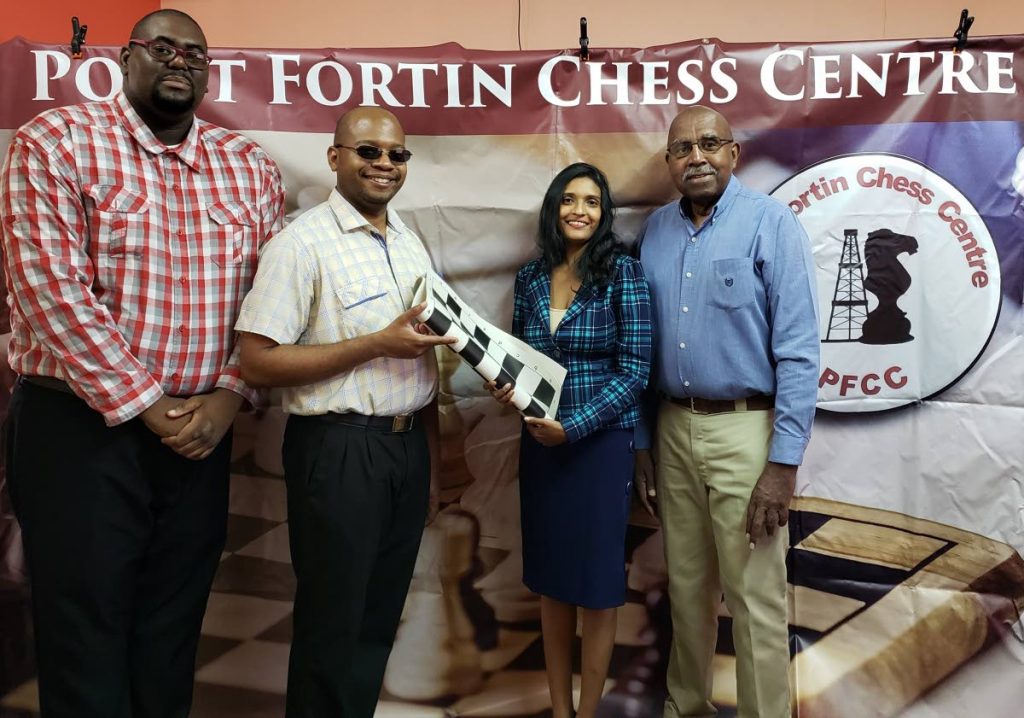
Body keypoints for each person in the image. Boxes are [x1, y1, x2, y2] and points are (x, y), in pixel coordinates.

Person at [0, 9, 285, 717]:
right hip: (79, 431)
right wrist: (148, 405)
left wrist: (226, 396)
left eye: (195, 52)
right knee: (84, 636)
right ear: (125, 59)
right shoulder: (56, 141)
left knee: (170, 632)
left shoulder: (248, 168)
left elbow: (272, 301)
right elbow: (46, 289)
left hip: (201, 436)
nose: (180, 61)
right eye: (163, 48)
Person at [235, 107, 456, 718]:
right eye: (368, 151)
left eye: (396, 155)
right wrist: (375, 343)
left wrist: (432, 467)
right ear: (336, 158)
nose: (384, 164)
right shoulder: (299, 244)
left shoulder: (407, 241)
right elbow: (258, 362)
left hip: (405, 450)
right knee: (332, 626)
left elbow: (424, 365)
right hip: (338, 451)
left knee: (377, 621)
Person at [633, 106, 819, 718]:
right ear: (668, 162)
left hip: (748, 432)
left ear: (733, 153)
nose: (697, 157)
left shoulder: (772, 224)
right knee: (685, 591)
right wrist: (642, 442)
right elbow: (638, 347)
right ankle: (685, 707)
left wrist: (782, 464)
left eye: (710, 143)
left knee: (754, 597)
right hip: (671, 427)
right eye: (682, 148)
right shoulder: (655, 233)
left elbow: (798, 353)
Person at [487, 162, 652, 718]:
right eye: (569, 200)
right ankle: (560, 710)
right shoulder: (531, 276)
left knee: (597, 586)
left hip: (599, 448)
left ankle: (588, 712)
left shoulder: (623, 274)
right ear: (554, 208)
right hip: (540, 445)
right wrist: (504, 388)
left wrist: (574, 427)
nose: (580, 210)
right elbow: (520, 359)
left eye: (592, 202)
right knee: (553, 582)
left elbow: (634, 373)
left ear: (604, 214)